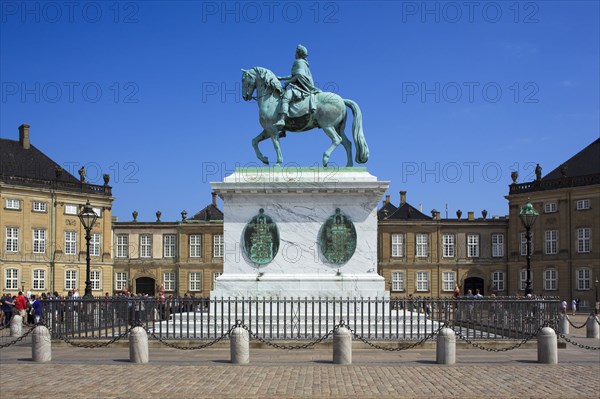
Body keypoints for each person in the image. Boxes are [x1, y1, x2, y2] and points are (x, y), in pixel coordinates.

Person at [274, 44, 319, 129]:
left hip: (301, 88)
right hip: (299, 86)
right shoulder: (303, 63)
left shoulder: (299, 62)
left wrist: (287, 82)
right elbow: (295, 75)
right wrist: (282, 78)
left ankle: (282, 120)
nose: (294, 53)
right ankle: (283, 129)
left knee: (286, 98)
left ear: (298, 53)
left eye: (296, 52)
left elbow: (298, 76)